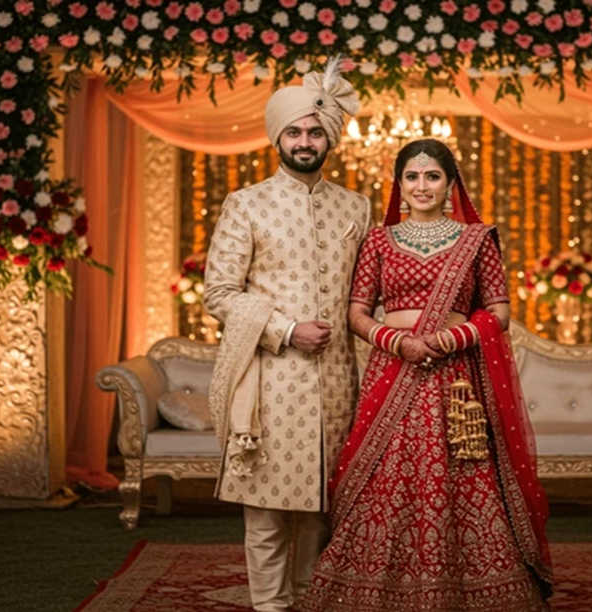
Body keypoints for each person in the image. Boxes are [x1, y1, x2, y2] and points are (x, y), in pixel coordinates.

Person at [300, 139, 553, 611]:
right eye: (412, 177)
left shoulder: (477, 239)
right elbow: (357, 312)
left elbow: (498, 312)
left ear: (450, 184)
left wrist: (449, 340)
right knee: (383, 476)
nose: (422, 186)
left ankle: (473, 589)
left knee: (463, 474)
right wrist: (400, 342)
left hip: (455, 377)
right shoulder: (378, 240)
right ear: (399, 184)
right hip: (392, 371)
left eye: (432, 176)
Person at [203, 58, 372, 612]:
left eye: (315, 131)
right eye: (295, 131)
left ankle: (313, 600)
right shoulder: (246, 204)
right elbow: (219, 293)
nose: (305, 140)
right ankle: (272, 607)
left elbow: (369, 295)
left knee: (327, 508)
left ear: (329, 138)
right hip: (272, 384)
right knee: (268, 509)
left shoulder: (356, 207)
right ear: (279, 137)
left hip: (342, 381)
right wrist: (285, 329)